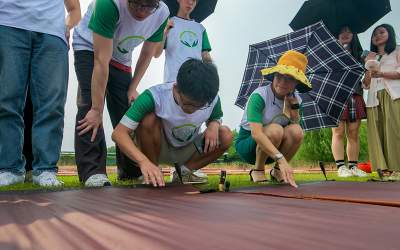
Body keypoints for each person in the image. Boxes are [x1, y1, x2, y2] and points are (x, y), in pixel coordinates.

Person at [72, 0, 169, 187]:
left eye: (150, 6)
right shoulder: (109, 4)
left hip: (121, 57)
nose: (143, 12)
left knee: (127, 111)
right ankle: (92, 171)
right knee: (90, 108)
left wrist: (133, 87)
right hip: (90, 48)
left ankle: (130, 171)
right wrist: (97, 108)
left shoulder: (162, 12)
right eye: (139, 5)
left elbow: (147, 53)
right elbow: (101, 61)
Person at [112, 59, 233, 187]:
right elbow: (118, 134)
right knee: (148, 118)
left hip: (188, 149)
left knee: (225, 135)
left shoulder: (212, 99)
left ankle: (184, 172)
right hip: (158, 147)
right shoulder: (154, 96)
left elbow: (217, 117)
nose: (192, 110)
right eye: (188, 104)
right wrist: (144, 162)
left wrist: (214, 125)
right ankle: (153, 171)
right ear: (175, 89)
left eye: (200, 106)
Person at [0, 0, 81, 187]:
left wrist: (66, 27)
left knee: (52, 105)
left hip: (51, 33)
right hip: (8, 26)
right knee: (6, 102)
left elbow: (75, 9)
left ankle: (45, 169)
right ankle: (8, 168)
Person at [235, 50, 313, 188]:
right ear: (274, 75)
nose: (282, 82)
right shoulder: (260, 96)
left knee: (297, 130)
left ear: (296, 82)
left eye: (289, 78)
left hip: (274, 147)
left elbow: (295, 126)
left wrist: (294, 107)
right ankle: (258, 170)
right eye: (279, 76)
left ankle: (277, 172)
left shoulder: (296, 99)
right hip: (249, 145)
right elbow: (256, 133)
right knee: (276, 129)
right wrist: (282, 159)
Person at [363, 24, 400, 181]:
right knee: (377, 133)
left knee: (394, 130)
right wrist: (368, 67)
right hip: (373, 98)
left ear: (389, 34)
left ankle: (397, 168)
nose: (377, 36)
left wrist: (382, 73)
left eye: (381, 32)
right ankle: (383, 170)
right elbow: (365, 84)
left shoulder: (397, 50)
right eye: (374, 34)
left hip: (392, 94)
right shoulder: (371, 57)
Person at [331, 26, 368, 178]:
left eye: (348, 31)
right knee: (338, 131)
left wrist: (368, 66)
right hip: (337, 94)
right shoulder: (331, 54)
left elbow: (366, 80)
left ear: (354, 35)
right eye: (341, 31)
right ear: (336, 36)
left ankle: (353, 166)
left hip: (355, 94)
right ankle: (340, 167)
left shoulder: (361, 55)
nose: (345, 34)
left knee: (353, 132)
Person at [154, 0, 212, 83]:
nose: (190, 2)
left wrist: (211, 75)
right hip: (173, 80)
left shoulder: (200, 28)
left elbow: (206, 56)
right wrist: (165, 32)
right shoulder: (168, 23)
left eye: (194, 0)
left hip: (196, 81)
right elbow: (156, 54)